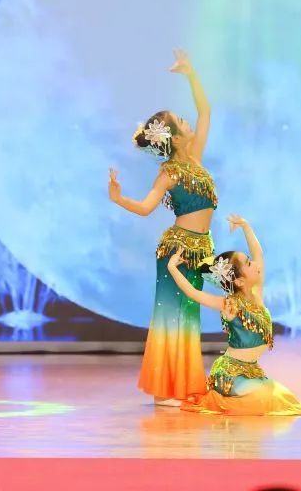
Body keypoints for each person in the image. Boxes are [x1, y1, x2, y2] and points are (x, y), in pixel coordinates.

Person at [108, 49, 216, 406]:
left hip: (200, 249)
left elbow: (205, 111)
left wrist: (191, 74)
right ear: (175, 137)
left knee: (189, 317)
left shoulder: (195, 158)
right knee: (172, 316)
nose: (189, 122)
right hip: (177, 251)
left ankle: (182, 385)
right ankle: (166, 389)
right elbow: (145, 207)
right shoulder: (168, 172)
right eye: (182, 121)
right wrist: (119, 199)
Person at [167, 215, 301, 416]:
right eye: (249, 264)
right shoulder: (231, 304)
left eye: (250, 261)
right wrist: (172, 268)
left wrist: (246, 226)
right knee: (268, 398)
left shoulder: (256, 294)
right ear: (240, 282)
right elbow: (193, 293)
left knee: (282, 395)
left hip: (251, 372)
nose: (256, 265)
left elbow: (258, 254)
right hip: (229, 375)